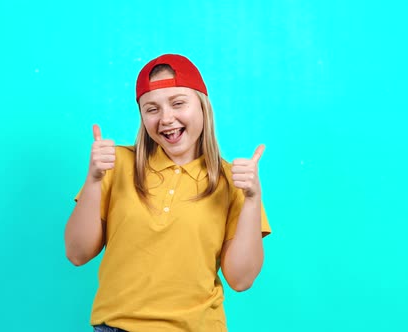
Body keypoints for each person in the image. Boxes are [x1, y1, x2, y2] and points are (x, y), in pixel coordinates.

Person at [65, 54, 271, 332]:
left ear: (203, 106)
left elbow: (241, 280)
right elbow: (77, 253)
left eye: (178, 103)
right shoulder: (116, 164)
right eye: (152, 109)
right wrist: (93, 180)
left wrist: (252, 200)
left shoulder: (234, 182)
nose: (166, 118)